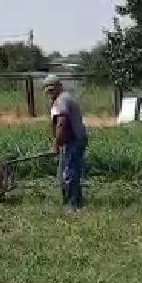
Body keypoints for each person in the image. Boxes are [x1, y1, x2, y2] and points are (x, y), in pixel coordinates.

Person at [43, 74, 88, 211]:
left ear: (59, 87)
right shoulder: (64, 98)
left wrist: (56, 145)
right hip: (74, 140)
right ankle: (77, 201)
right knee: (69, 171)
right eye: (48, 90)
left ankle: (71, 206)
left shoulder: (61, 101)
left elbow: (62, 124)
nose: (50, 93)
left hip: (73, 141)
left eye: (53, 89)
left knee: (68, 173)